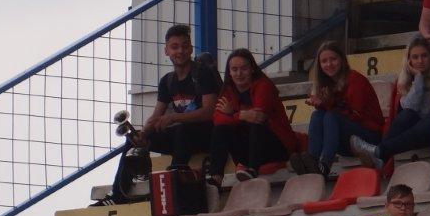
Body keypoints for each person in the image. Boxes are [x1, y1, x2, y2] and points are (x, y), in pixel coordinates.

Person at [350, 35, 430, 169]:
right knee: (407, 115)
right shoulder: (404, 83)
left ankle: (378, 153)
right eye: (415, 57)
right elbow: (410, 108)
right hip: (412, 131)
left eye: (424, 56)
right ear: (409, 61)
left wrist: (418, 77)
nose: (420, 61)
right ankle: (379, 155)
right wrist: (419, 78)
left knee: (429, 122)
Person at [207, 48, 299, 186]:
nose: (239, 73)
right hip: (248, 150)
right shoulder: (228, 90)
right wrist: (242, 115)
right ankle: (216, 177)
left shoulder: (264, 85)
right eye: (234, 69)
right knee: (220, 130)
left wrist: (233, 114)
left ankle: (252, 170)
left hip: (277, 147)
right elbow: (218, 119)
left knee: (256, 124)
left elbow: (259, 116)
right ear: (229, 72)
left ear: (252, 69)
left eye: (244, 68)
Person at [293, 40, 384, 177]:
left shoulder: (355, 79)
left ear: (342, 59)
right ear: (319, 65)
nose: (329, 64)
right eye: (324, 61)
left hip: (368, 137)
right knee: (317, 115)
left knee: (331, 116)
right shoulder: (326, 84)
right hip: (346, 140)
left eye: (333, 59)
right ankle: (312, 163)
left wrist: (327, 104)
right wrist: (323, 104)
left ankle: (324, 165)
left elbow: (356, 115)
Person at [136, 24, 218, 168]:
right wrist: (142, 133)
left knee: (182, 131)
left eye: (185, 46)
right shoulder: (167, 81)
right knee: (133, 139)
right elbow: (156, 115)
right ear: (166, 51)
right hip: (184, 138)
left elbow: (209, 112)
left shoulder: (203, 73)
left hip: (207, 136)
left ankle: (174, 177)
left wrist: (173, 117)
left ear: (191, 49)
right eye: (174, 47)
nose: (180, 51)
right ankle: (119, 189)